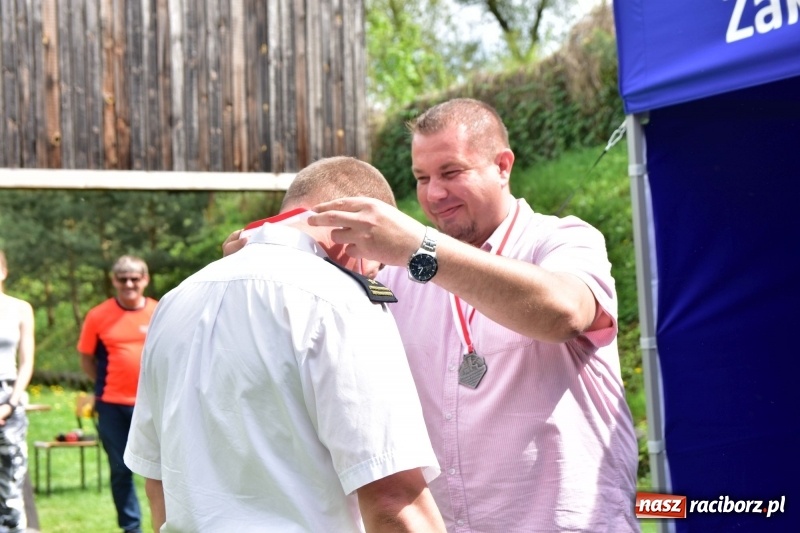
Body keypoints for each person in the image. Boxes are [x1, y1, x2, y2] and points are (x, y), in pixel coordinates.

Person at [225, 98, 640, 531]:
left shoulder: (562, 239)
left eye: (451, 173)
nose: (433, 194)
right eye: (421, 178)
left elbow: (564, 313)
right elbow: (318, 317)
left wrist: (418, 249)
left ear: (503, 166)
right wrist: (262, 257)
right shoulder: (400, 277)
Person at [124, 156, 445, 533]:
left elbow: (158, 482)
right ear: (355, 234)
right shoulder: (341, 301)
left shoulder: (175, 301)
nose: (371, 273)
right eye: (375, 266)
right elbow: (394, 502)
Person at [78, 255, 156, 533]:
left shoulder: (160, 311)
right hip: (111, 406)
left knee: (164, 469)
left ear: (145, 279)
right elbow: (87, 358)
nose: (129, 284)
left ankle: (169, 524)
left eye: (135, 278)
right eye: (123, 278)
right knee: (121, 471)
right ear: (114, 281)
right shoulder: (98, 315)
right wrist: (105, 383)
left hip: (153, 404)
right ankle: (131, 527)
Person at [0, 250, 35, 533]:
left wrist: (10, 404)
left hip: (8, 396)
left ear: (4, 271)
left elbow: (27, 362)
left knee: (11, 476)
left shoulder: (20, 308)